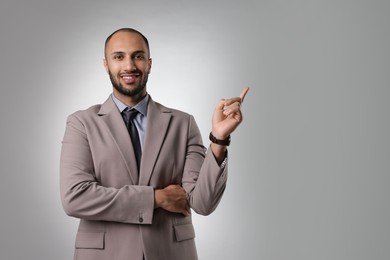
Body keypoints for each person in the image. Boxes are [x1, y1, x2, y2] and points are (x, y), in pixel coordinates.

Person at [60, 27, 249, 260]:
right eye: (119, 57)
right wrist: (156, 198)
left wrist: (219, 139)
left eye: (138, 56)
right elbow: (75, 198)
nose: (129, 66)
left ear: (149, 63)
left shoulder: (183, 123)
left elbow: (202, 202)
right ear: (106, 64)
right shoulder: (82, 123)